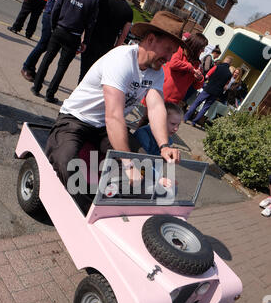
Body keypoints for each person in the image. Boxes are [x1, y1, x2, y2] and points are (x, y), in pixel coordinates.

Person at [45, 10, 186, 189]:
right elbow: (113, 116)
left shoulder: (156, 71)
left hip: (104, 129)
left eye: (173, 52)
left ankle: (128, 202)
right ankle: (89, 212)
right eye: (167, 50)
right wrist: (128, 165)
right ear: (150, 39)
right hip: (76, 119)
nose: (168, 58)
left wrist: (164, 146)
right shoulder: (122, 59)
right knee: (68, 165)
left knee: (144, 164)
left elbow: (156, 108)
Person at [31, 0, 100, 104]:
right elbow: (90, 23)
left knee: (47, 59)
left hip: (59, 29)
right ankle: (50, 94)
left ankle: (36, 87)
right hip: (74, 36)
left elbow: (56, 8)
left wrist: (54, 26)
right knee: (62, 67)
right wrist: (85, 41)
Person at [21, 0, 85, 82]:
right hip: (50, 14)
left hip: (56, 16)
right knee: (44, 43)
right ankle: (27, 67)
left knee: (46, 45)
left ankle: (31, 67)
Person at [78, 0, 134, 83]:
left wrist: (84, 38)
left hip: (91, 41)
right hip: (106, 47)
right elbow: (123, 36)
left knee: (83, 73)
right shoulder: (128, 11)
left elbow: (90, 20)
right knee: (96, 78)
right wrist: (114, 50)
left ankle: (75, 96)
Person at [184, 56, 233, 126]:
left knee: (196, 103)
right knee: (205, 107)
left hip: (208, 88)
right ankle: (194, 122)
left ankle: (186, 118)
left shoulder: (216, 67)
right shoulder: (229, 74)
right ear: (230, 64)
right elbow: (226, 86)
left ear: (224, 60)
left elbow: (207, 75)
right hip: (216, 92)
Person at [163, 32, 208, 104]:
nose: (203, 51)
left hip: (175, 99)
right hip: (161, 91)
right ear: (195, 46)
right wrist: (189, 66)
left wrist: (199, 78)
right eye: (202, 48)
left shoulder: (197, 63)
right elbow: (173, 64)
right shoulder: (180, 50)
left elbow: (197, 86)